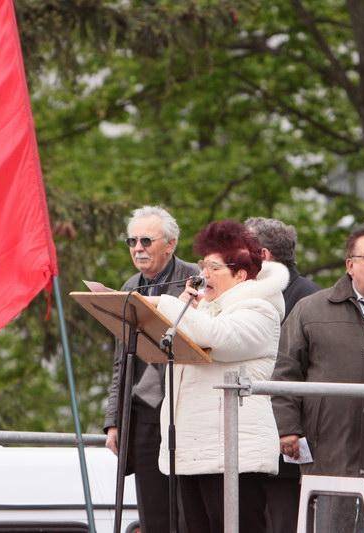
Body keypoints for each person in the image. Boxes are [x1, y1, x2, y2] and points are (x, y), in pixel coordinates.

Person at [272, 219, 364, 533]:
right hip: (330, 457)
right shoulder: (310, 310)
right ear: (350, 265)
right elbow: (286, 372)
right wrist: (288, 429)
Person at [150, 220, 287, 532]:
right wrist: (185, 307)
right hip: (195, 449)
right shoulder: (204, 310)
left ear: (240, 275)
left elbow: (216, 338)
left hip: (236, 454)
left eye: (214, 268)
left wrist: (169, 305)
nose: (204, 275)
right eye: (203, 266)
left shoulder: (260, 310)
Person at [102, 206, 198, 533]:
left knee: (187, 513)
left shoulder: (194, 278)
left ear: (170, 244)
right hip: (143, 413)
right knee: (152, 512)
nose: (138, 248)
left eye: (146, 241)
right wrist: (114, 420)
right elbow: (121, 361)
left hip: (183, 410)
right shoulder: (130, 285)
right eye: (132, 241)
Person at [244, 217, 321, 532]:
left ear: (263, 255)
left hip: (287, 442)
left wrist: (289, 428)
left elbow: (300, 369)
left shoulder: (309, 301)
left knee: (285, 521)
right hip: (254, 440)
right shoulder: (251, 294)